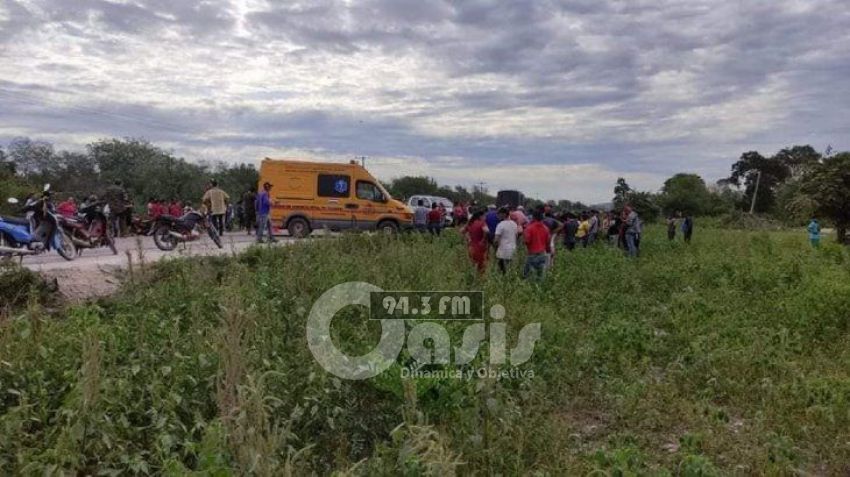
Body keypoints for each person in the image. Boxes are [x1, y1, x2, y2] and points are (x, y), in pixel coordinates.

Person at [522, 210, 551, 280]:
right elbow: (548, 243)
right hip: (542, 254)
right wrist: (548, 252)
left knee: (527, 276)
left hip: (532, 254)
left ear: (533, 218)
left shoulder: (529, 228)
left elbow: (526, 241)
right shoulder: (546, 229)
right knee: (540, 277)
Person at [462, 210, 489, 274]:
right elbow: (487, 231)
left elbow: (462, 231)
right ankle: (480, 279)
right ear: (480, 216)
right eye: (484, 216)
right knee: (481, 264)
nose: (484, 217)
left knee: (473, 262)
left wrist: (468, 238)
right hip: (480, 246)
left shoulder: (470, 223)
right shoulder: (482, 223)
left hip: (471, 246)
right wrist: (483, 240)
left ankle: (473, 277)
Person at [494, 208, 519, 274]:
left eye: (499, 214)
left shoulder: (500, 225)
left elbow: (496, 240)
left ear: (503, 214)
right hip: (512, 250)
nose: (498, 216)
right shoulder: (514, 224)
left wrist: (495, 248)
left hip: (503, 252)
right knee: (510, 270)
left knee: (501, 271)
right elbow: (516, 236)